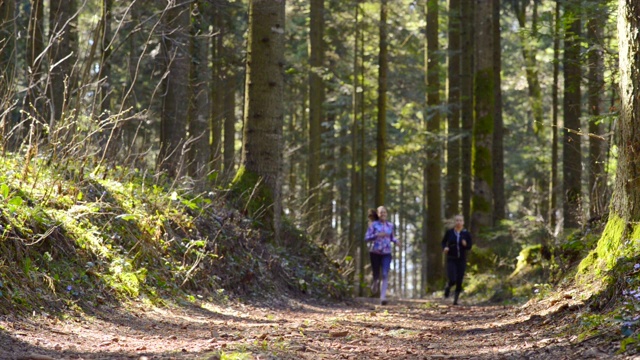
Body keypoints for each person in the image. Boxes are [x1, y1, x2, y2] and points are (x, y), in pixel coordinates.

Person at [365, 206, 400, 305]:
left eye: (384, 212)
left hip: (387, 253)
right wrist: (377, 235)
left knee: (385, 274)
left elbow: (392, 237)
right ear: (378, 214)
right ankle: (375, 282)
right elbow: (366, 238)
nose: (383, 214)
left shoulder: (390, 225)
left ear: (387, 214)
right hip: (375, 252)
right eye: (381, 212)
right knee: (376, 275)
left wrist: (397, 241)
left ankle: (383, 297)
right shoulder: (373, 225)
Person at [441, 214, 473, 305]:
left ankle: (456, 300)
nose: (458, 222)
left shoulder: (466, 234)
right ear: (454, 222)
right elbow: (443, 242)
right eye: (457, 220)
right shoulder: (450, 232)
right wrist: (445, 248)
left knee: (459, 280)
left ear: (463, 222)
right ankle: (448, 287)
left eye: (460, 220)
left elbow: (469, 246)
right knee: (453, 278)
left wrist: (465, 244)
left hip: (461, 259)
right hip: (451, 258)